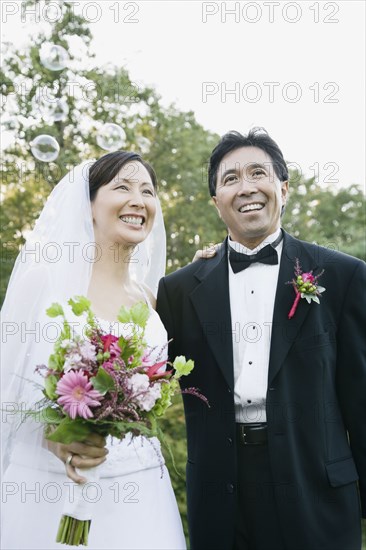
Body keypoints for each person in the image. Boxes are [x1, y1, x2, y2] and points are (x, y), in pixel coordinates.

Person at [156, 128, 366, 550]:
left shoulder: (343, 276)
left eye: (258, 173)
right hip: (219, 495)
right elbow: (149, 388)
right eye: (230, 179)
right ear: (216, 202)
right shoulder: (178, 290)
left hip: (317, 491)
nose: (246, 187)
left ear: (283, 189)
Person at [1, 152, 186, 549]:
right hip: (45, 487)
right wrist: (56, 435)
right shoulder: (42, 282)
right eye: (122, 187)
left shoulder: (151, 301)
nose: (138, 200)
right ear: (88, 206)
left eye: (147, 191)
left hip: (138, 492)